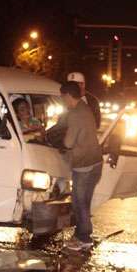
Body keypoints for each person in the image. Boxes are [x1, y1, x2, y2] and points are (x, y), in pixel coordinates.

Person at [59, 81, 103, 251]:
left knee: (79, 202)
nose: (63, 102)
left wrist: (61, 143)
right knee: (84, 201)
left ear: (69, 96)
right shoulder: (85, 108)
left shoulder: (75, 113)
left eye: (63, 98)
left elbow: (69, 142)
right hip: (95, 162)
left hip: (84, 165)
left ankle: (84, 237)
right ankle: (81, 235)